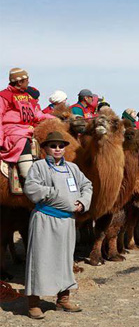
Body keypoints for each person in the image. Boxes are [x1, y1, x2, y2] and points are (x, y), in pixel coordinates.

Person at [23, 131, 93, 319]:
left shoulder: (72, 168)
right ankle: (34, 303)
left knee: (64, 260)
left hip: (67, 222)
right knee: (40, 259)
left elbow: (87, 185)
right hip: (45, 219)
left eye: (61, 146)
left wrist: (82, 202)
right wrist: (55, 194)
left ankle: (63, 299)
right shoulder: (38, 167)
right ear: (45, 148)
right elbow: (31, 187)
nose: (57, 149)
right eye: (53, 146)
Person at [0, 68, 55, 183]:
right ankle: (28, 179)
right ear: (19, 82)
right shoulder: (4, 96)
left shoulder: (28, 97)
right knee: (23, 141)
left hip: (28, 129)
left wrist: (56, 119)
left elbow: (37, 115)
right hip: (12, 131)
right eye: (26, 80)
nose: (28, 82)